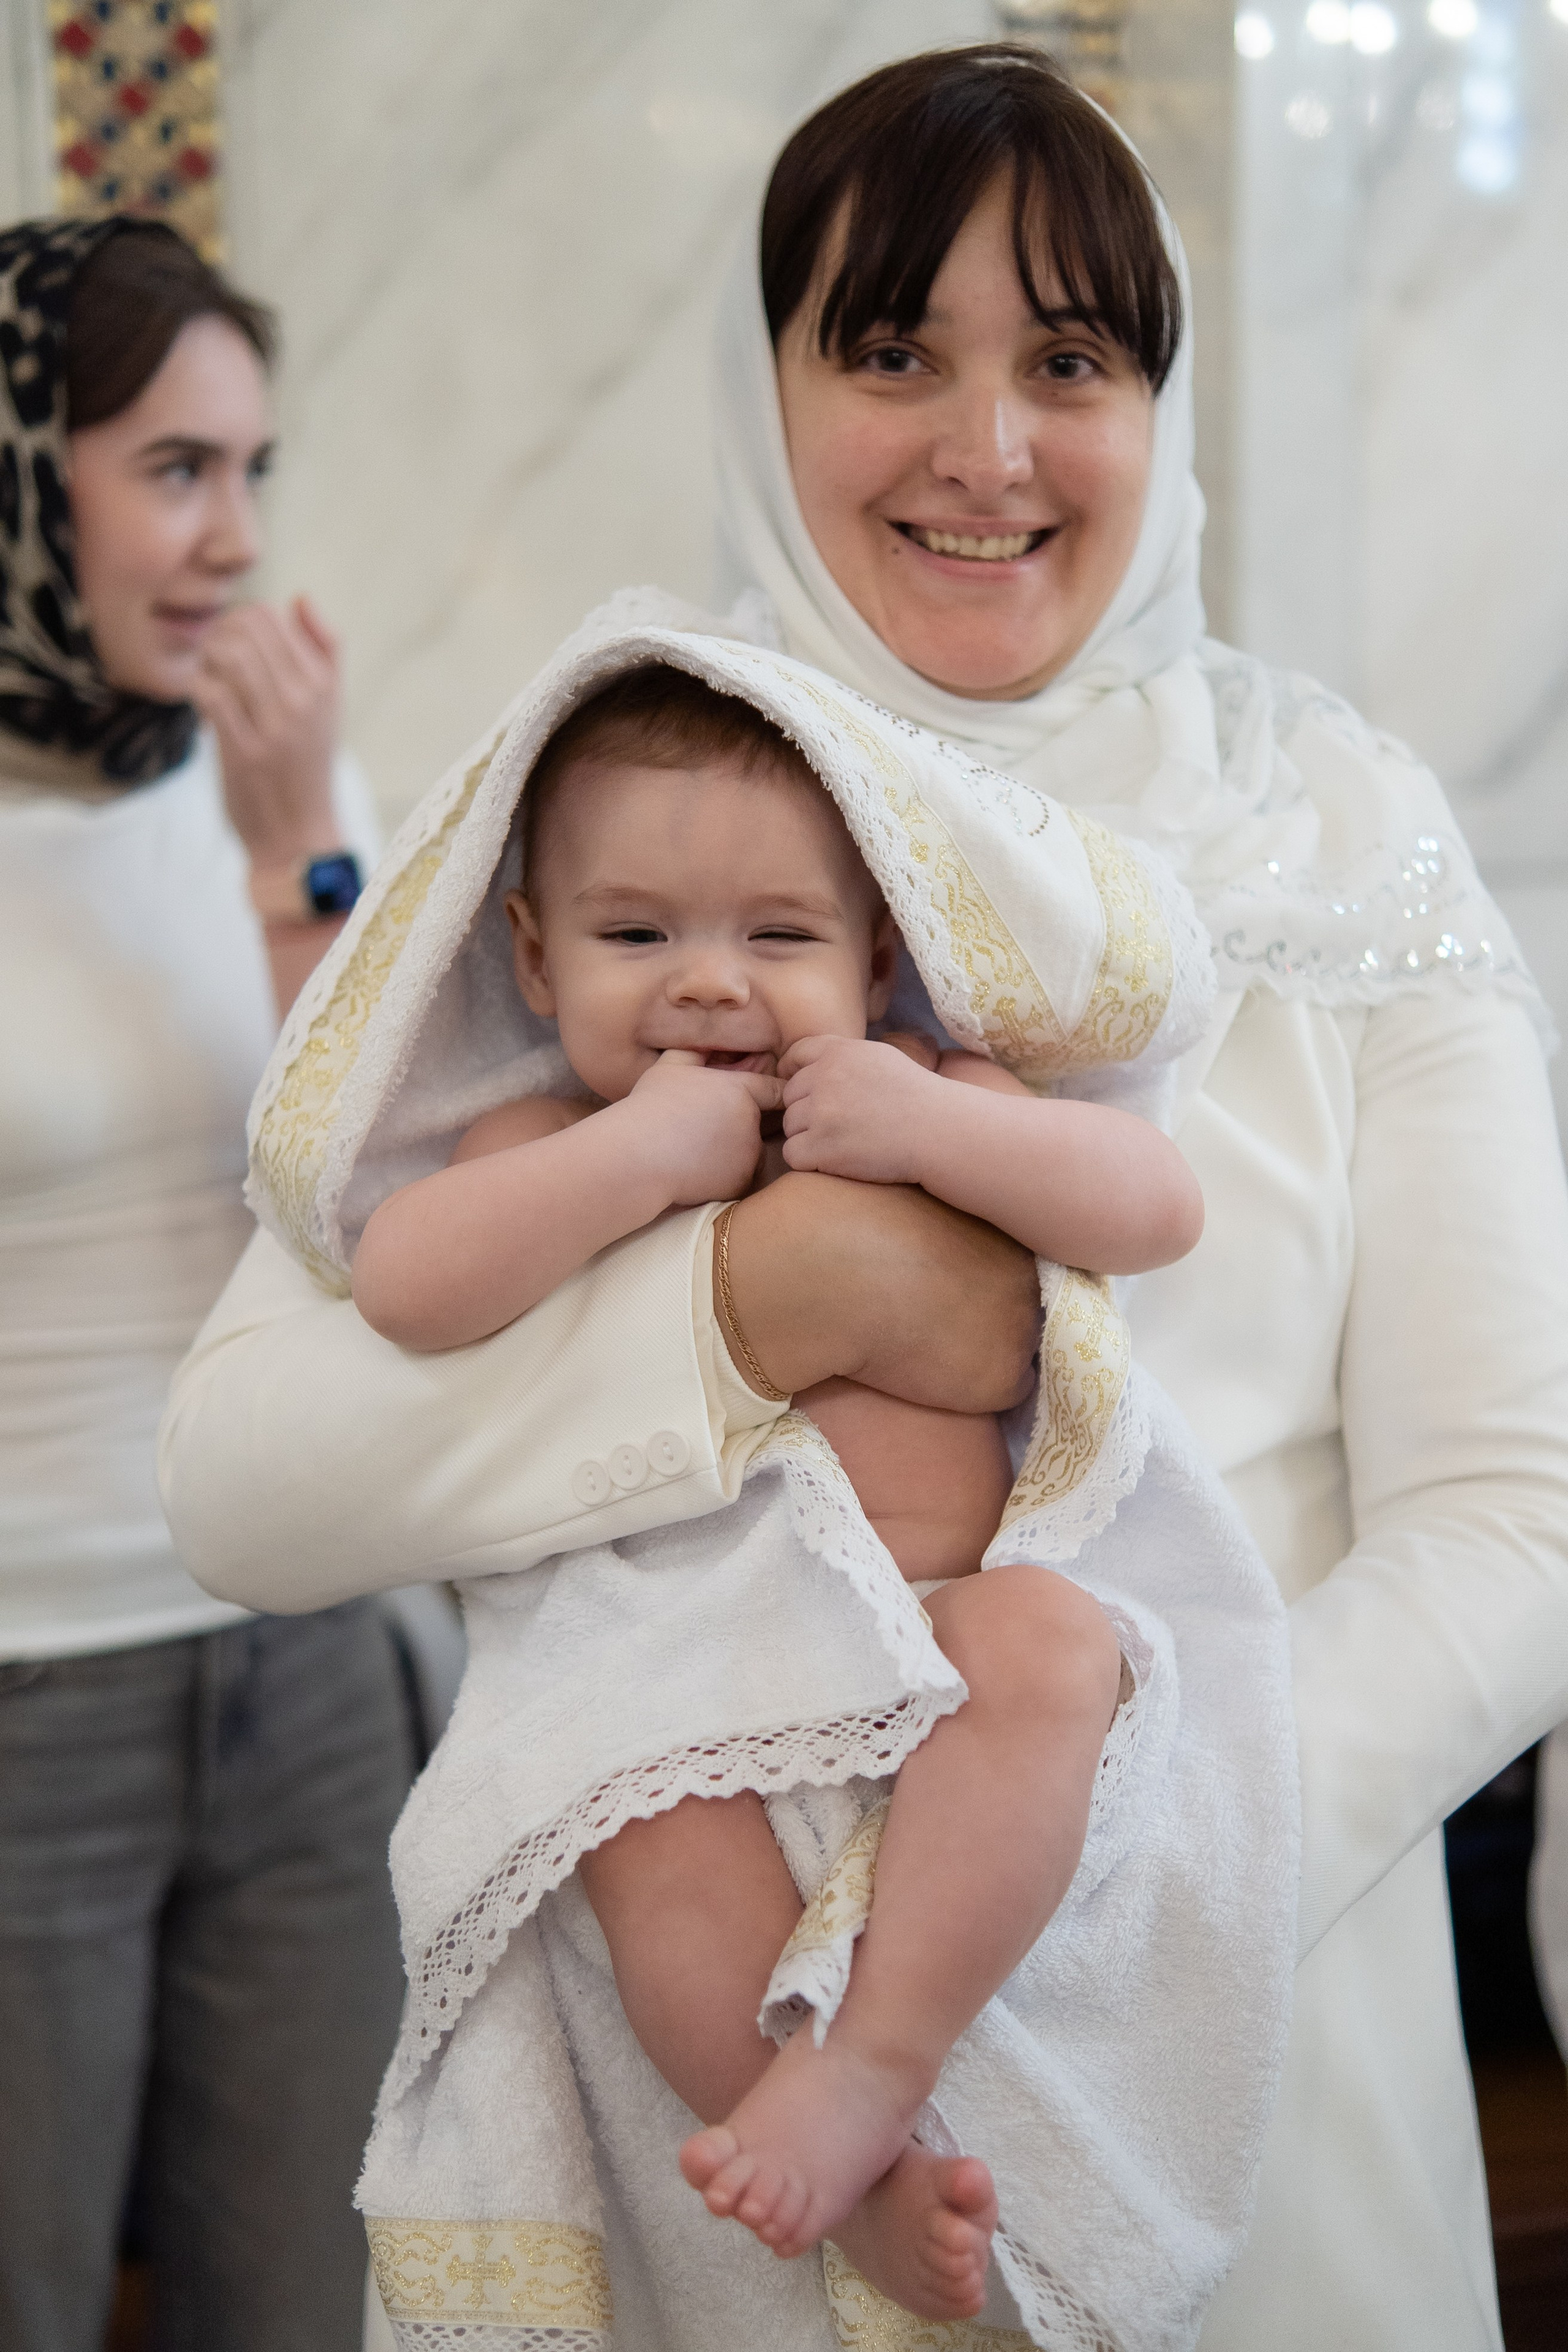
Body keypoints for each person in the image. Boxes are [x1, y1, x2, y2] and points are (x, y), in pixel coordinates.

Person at [160, 43, 1568, 2352]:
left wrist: (1090, 1891)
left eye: (1073, 360)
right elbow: (243, 1484)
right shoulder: (624, 815)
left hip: (1251, 2016)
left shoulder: (1333, 827)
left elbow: (1514, 1513)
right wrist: (753, 1311)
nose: (985, 447)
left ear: (1160, 403)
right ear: (768, 378)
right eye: (892, 349)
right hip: (744, 2105)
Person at [348, 657, 1202, 2309]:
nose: (710, 990)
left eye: (780, 937)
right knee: (630, 1807)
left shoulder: (928, 1090)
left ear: (880, 951)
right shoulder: (538, 1141)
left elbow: (1152, 1208)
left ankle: (875, 2058)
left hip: (945, 1641)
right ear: (532, 953)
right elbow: (407, 1283)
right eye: (636, 935)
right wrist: (638, 1160)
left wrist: (940, 1130)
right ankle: (821, 2153)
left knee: (1056, 1645)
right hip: (690, 1679)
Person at [0, 217, 412, 2351]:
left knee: (309, 2302)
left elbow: (390, 1208)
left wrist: (293, 854)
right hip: (26, 1687)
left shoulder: (281, 780)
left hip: (302, 1670)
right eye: (172, 469)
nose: (233, 538)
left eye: (256, 471)